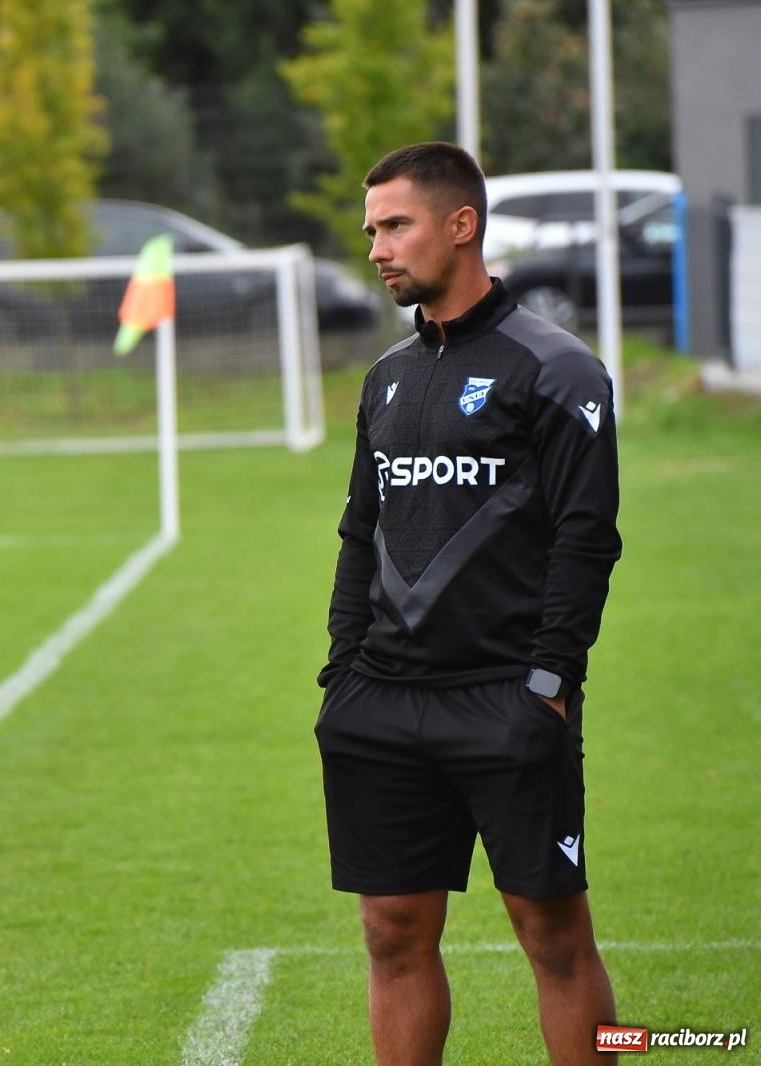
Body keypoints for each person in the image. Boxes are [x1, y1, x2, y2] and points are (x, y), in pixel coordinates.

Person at [313, 142, 622, 1065]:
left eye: (395, 226)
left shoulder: (557, 369)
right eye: (371, 230)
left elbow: (586, 539)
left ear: (461, 225)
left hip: (506, 697)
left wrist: (551, 681)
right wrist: (342, 671)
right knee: (391, 933)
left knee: (554, 937)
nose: (377, 249)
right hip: (382, 700)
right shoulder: (387, 376)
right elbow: (360, 532)